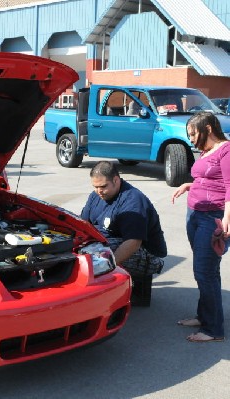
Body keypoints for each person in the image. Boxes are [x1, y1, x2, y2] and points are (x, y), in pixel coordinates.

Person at [171, 111, 230, 343]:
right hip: (195, 213)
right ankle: (204, 315)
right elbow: (206, 177)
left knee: (204, 271)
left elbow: (229, 185)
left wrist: (228, 216)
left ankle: (213, 329)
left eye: (193, 134)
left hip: (211, 217)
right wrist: (189, 185)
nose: (191, 139)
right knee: (205, 269)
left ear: (207, 129)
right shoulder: (207, 151)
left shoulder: (226, 150)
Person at [81, 161, 167, 306]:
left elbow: (133, 242)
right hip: (112, 240)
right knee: (83, 247)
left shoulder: (133, 201)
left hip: (145, 251)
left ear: (116, 180)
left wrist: (105, 267)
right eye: (95, 187)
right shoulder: (96, 195)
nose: (98, 191)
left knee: (102, 253)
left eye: (103, 186)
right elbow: (84, 225)